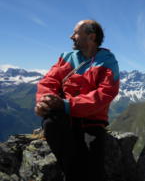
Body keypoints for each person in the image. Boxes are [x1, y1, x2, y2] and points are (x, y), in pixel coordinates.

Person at [35, 20, 120, 181]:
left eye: (75, 33)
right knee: (51, 124)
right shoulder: (67, 58)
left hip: (92, 122)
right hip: (65, 118)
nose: (71, 36)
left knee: (93, 170)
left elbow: (105, 94)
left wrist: (67, 105)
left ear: (91, 36)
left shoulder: (107, 61)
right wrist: (44, 101)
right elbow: (48, 82)